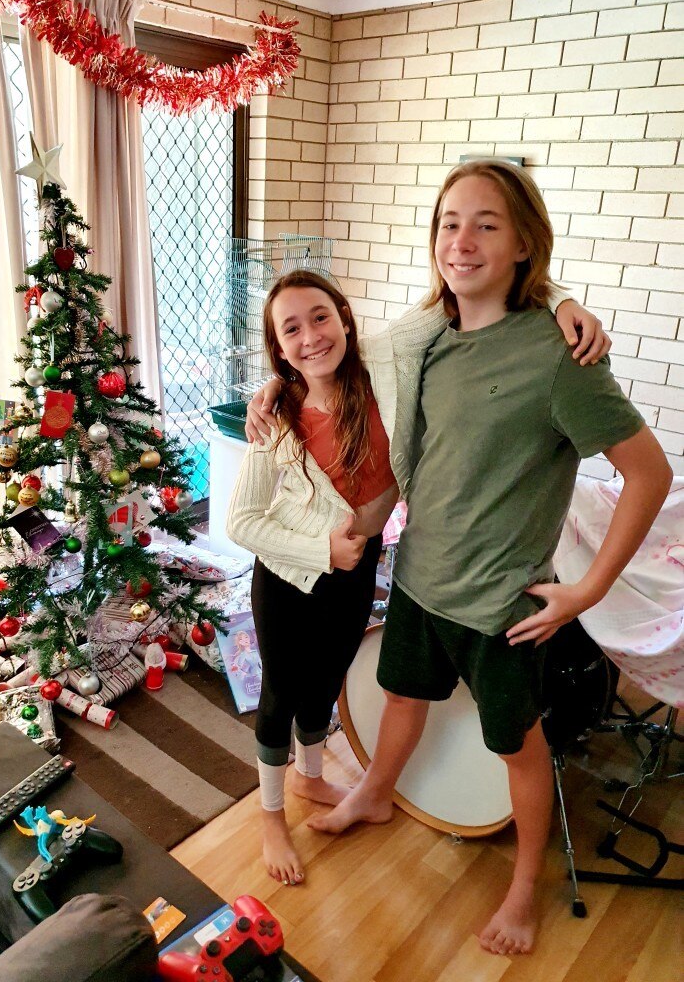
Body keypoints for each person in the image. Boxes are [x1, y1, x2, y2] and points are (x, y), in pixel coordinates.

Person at [245, 161, 671, 954]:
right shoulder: (430, 337)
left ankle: (524, 887)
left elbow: (650, 474)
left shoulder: (561, 357)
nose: (462, 240)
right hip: (416, 578)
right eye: (449, 223)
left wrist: (587, 590)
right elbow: (332, 357)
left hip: (502, 607)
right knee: (402, 696)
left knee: (519, 748)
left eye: (486, 224)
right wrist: (273, 387)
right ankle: (374, 795)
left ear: (524, 242)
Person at [226, 270, 399, 887]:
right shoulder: (277, 420)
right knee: (282, 692)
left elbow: (442, 310)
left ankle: (309, 774)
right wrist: (321, 549)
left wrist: (562, 303)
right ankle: (271, 814)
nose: (311, 336)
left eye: (320, 317)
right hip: (288, 577)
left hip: (356, 571)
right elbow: (241, 521)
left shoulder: (388, 386)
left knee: (327, 680)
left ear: (345, 318)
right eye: (291, 329)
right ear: (279, 348)